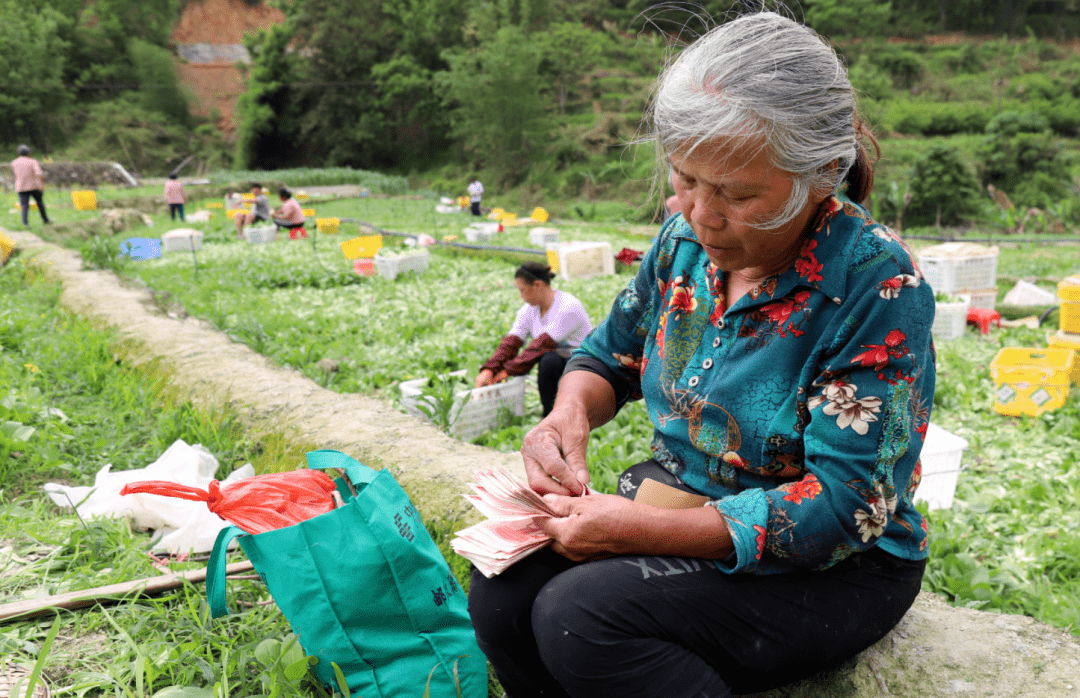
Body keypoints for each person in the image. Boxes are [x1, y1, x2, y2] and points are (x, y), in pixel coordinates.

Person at [468, 12, 936, 698]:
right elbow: (607, 356)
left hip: (836, 564)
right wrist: (565, 415)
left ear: (822, 174)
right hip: (682, 495)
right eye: (686, 179)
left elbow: (845, 506)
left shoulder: (877, 286)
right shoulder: (682, 243)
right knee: (502, 590)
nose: (701, 214)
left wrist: (638, 530)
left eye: (738, 195)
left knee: (585, 620)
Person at [476, 262, 592, 417]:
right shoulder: (529, 310)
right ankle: (550, 413)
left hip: (583, 362)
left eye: (522, 290)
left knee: (548, 361)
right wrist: (489, 369)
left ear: (537, 285)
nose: (521, 296)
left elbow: (541, 345)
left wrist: (506, 372)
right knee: (549, 359)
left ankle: (559, 412)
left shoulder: (568, 307)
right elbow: (512, 342)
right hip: (558, 358)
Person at [11, 145, 50, 227]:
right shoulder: (32, 161)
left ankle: (25, 223)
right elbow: (39, 173)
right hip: (34, 186)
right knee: (39, 203)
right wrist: (41, 185)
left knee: (24, 205)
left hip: (21, 187)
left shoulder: (14, 163)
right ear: (29, 153)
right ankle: (45, 220)